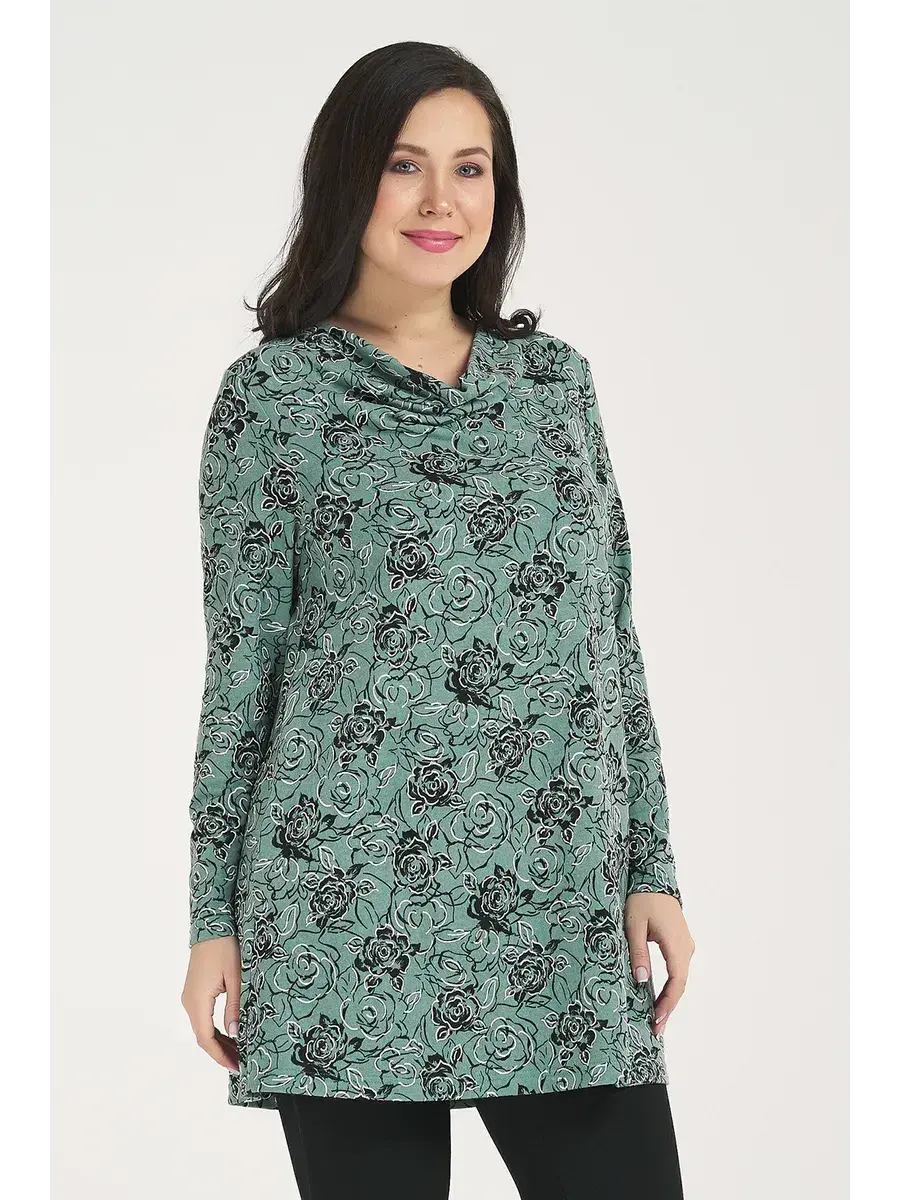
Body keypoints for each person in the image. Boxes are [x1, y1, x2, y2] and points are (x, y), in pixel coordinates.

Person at [181, 39, 695, 1200]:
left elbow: (611, 644)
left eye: (471, 169)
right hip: (339, 908)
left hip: (557, 911)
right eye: (404, 165)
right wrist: (212, 919)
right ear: (345, 176)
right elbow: (241, 671)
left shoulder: (557, 388)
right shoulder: (273, 400)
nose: (440, 202)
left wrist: (652, 870)